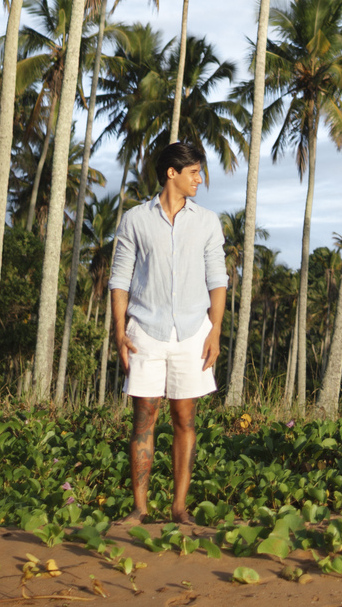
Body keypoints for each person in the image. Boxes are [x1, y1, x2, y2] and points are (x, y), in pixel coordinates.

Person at [109, 139, 228, 528]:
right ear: (171, 173)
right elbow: (120, 278)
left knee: (185, 417)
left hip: (193, 332)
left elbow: (218, 279)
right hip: (145, 330)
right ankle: (140, 509)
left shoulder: (207, 221)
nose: (200, 179)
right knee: (144, 417)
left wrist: (215, 332)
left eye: (200, 172)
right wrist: (119, 332)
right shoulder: (135, 219)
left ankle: (179, 508)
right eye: (194, 172)